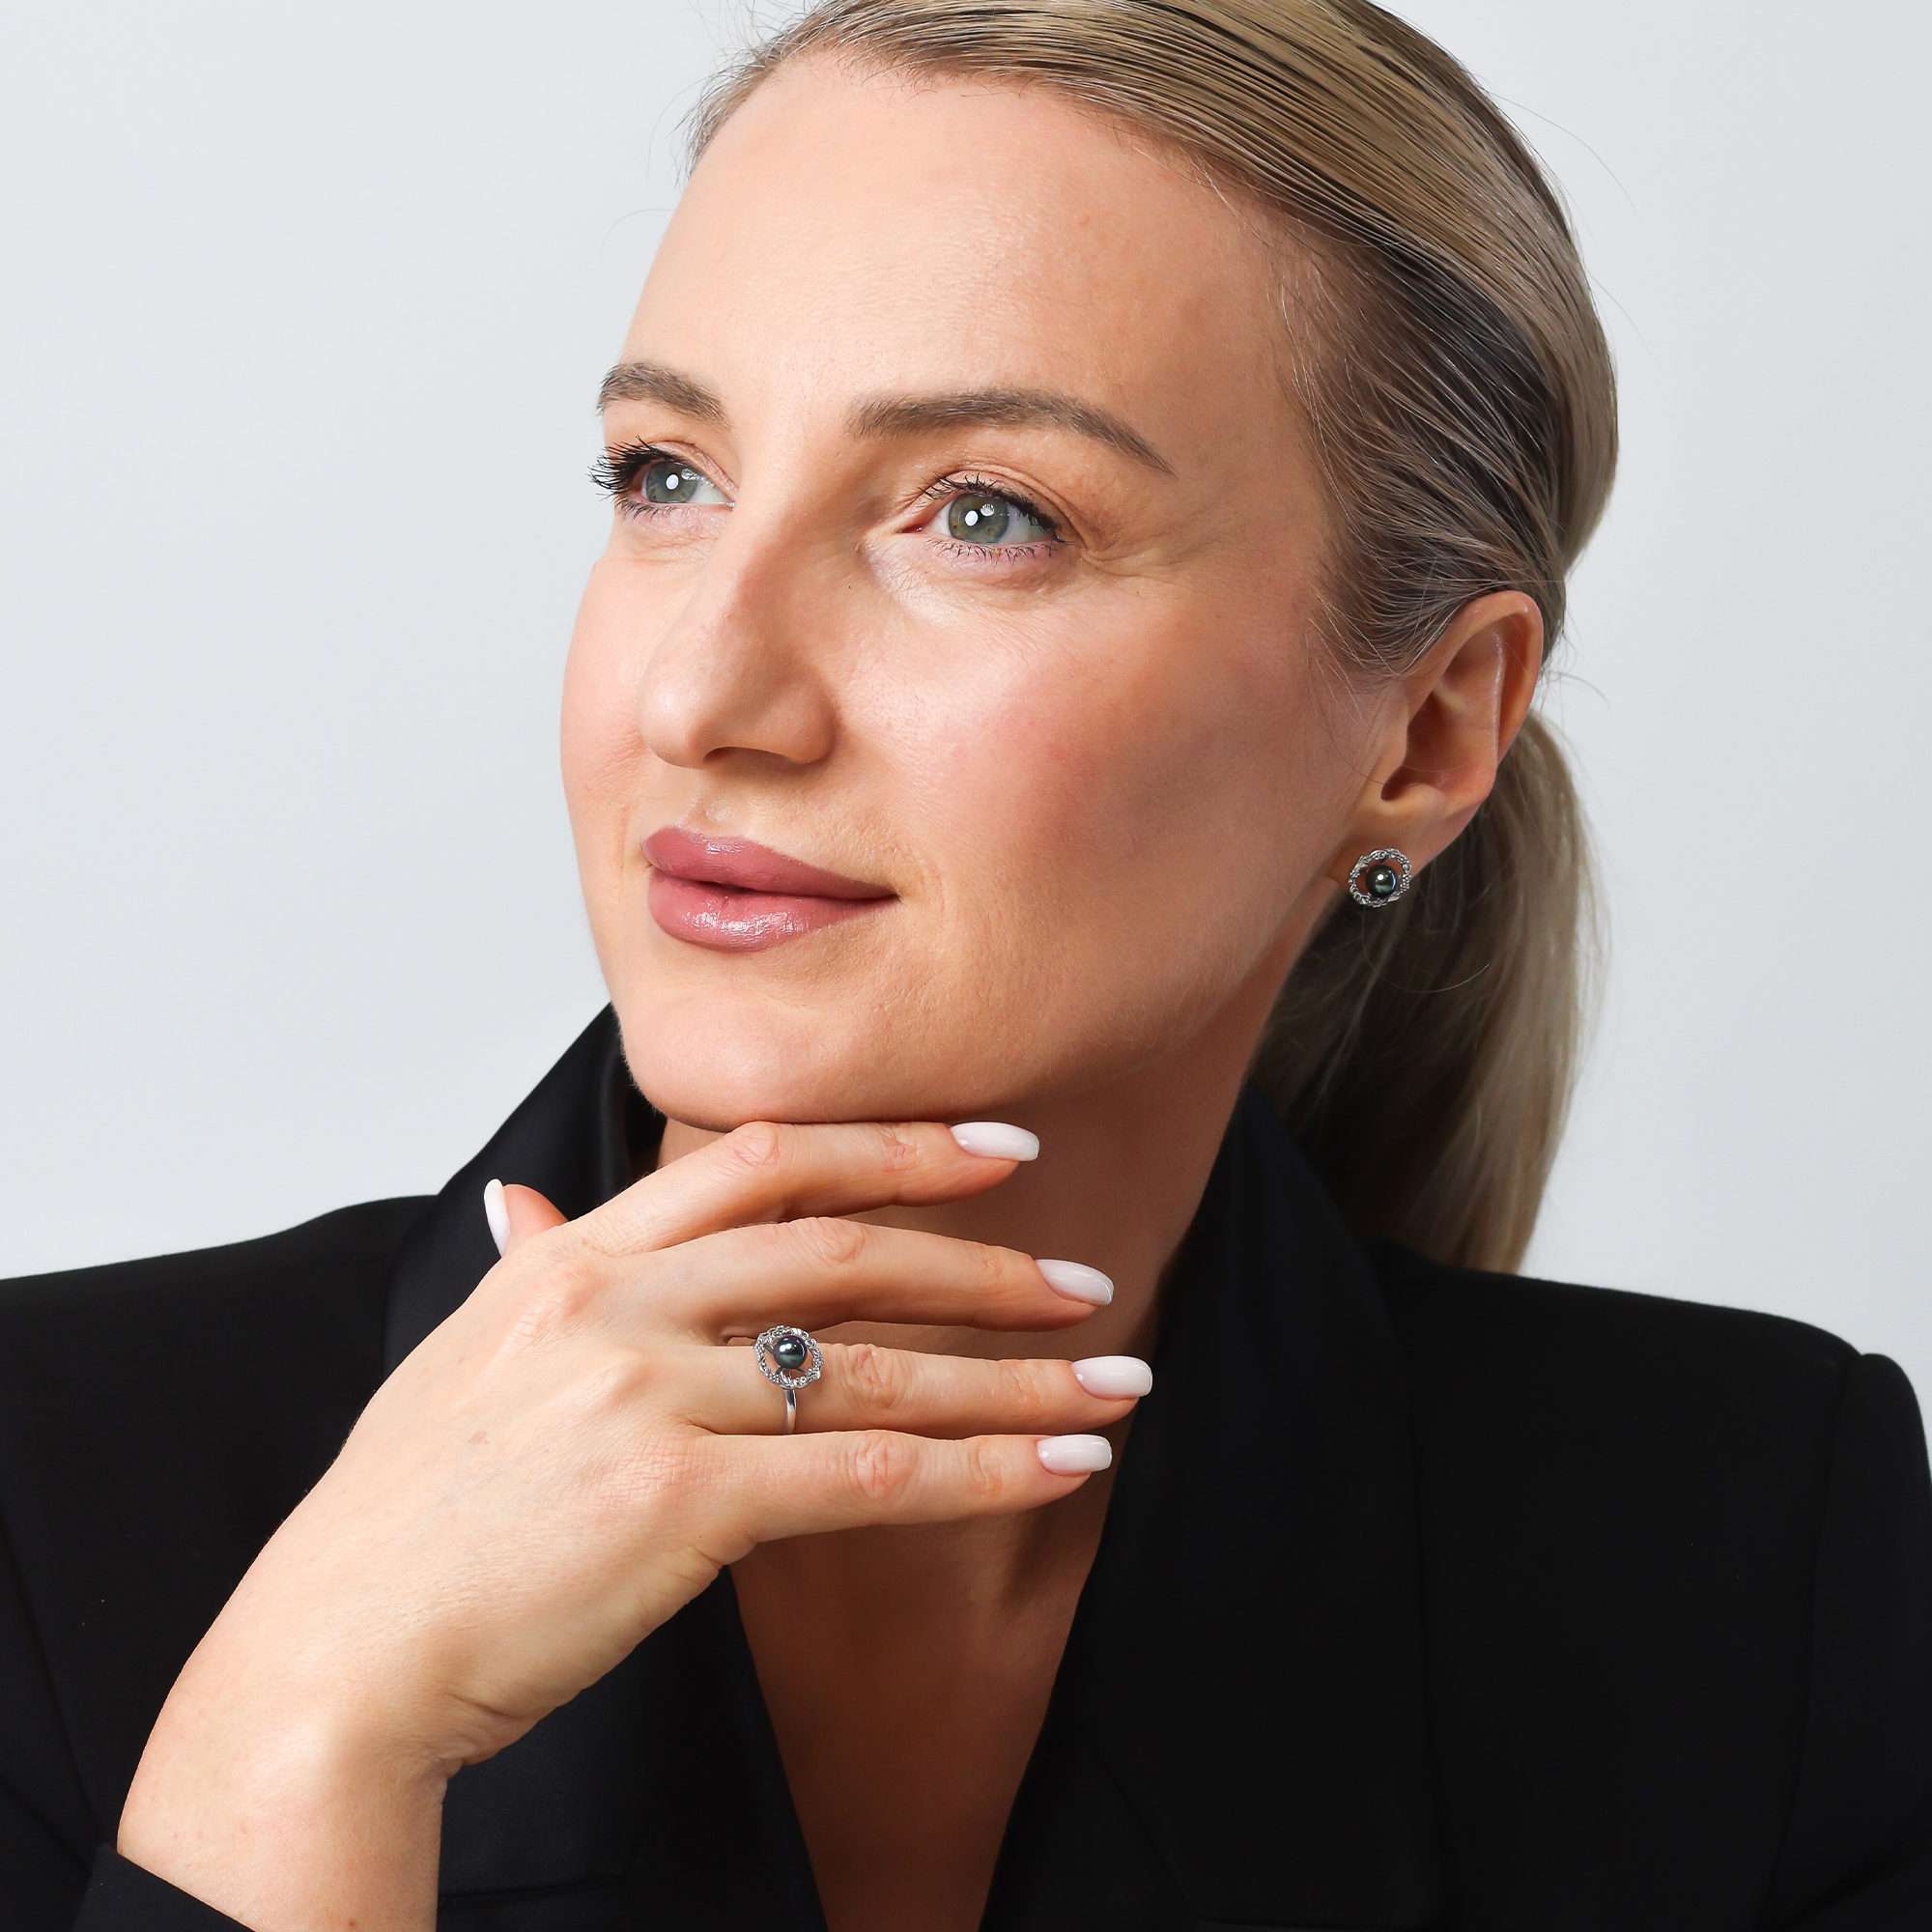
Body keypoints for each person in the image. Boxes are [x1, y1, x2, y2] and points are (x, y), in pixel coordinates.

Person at [5, 3, 1928, 1928]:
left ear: (1425, 730)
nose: (703, 692)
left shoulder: (1766, 1570)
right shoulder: (47, 1501)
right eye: (664, 475)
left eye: (985, 515)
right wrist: (304, 1743)